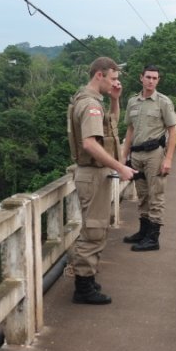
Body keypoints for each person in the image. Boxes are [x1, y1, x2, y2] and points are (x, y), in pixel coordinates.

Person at [67, 57, 137, 305]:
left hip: (96, 174)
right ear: (99, 75)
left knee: (97, 227)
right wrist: (120, 167)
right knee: (94, 230)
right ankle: (83, 287)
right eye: (113, 78)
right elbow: (89, 143)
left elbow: (112, 125)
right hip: (93, 175)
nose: (116, 82)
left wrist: (115, 99)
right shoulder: (89, 105)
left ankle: (89, 277)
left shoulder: (94, 102)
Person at [121, 64, 176, 252]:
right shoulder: (132, 102)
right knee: (142, 194)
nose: (151, 81)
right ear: (141, 78)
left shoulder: (163, 102)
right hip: (136, 155)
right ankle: (143, 232)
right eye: (148, 77)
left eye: (155, 78)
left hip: (155, 154)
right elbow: (130, 129)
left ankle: (153, 238)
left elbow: (172, 130)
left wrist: (168, 159)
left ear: (158, 80)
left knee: (156, 195)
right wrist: (124, 156)